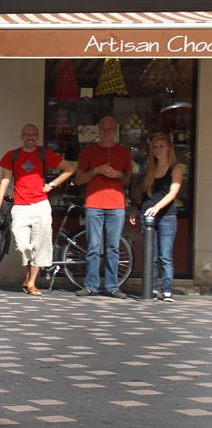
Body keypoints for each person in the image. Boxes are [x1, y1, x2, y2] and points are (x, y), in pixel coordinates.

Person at [0, 124, 75, 296]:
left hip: (41, 205)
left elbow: (69, 168)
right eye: (27, 134)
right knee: (22, 245)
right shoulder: (12, 155)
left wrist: (51, 185)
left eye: (33, 134)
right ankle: (29, 275)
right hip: (20, 206)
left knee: (40, 245)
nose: (30, 137)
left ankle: (32, 282)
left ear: (38, 136)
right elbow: (5, 180)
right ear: (21, 137)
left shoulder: (44, 153)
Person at [74, 115, 132, 298]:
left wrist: (117, 175)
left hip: (116, 204)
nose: (107, 132)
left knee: (113, 247)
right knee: (93, 246)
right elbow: (78, 179)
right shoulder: (88, 151)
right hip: (94, 203)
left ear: (115, 130)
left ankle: (112, 286)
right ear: (98, 130)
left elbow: (129, 180)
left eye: (110, 129)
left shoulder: (123, 151)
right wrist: (96, 171)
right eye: (103, 129)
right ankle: (91, 285)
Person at [130, 133, 182, 302]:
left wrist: (157, 207)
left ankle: (167, 290)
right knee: (150, 256)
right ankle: (150, 288)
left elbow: (173, 193)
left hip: (166, 216)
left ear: (168, 149)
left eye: (161, 146)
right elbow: (143, 194)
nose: (158, 150)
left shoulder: (176, 168)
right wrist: (135, 209)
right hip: (148, 216)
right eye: (155, 147)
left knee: (165, 255)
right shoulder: (150, 169)